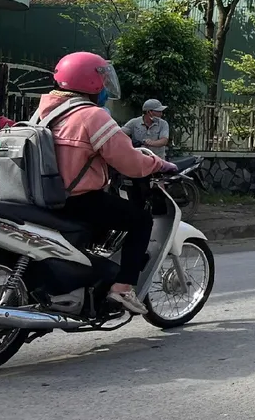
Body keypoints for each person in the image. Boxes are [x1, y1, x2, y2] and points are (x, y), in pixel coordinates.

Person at [43, 52, 175, 315]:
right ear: (91, 82)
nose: (105, 86)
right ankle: (123, 287)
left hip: (46, 197)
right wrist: (160, 165)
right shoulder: (91, 116)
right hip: (77, 199)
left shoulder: (46, 112)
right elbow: (129, 162)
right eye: (102, 78)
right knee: (140, 220)